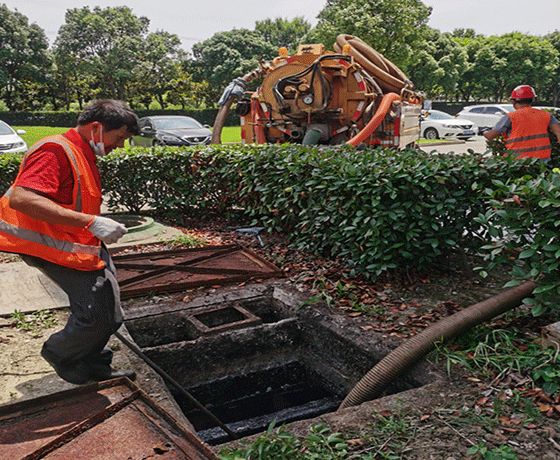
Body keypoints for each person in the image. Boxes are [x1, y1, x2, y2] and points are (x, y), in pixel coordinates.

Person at [0, 99, 140, 385]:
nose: (121, 146)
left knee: (109, 311)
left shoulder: (81, 151)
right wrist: (92, 223)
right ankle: (60, 353)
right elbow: (23, 199)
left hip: (78, 243)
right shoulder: (55, 150)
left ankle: (93, 362)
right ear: (97, 128)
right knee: (99, 315)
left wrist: (92, 227)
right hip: (51, 246)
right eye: (120, 137)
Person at [483, 85, 560, 164]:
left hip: (518, 163)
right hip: (543, 162)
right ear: (532, 100)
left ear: (514, 101)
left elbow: (490, 136)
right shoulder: (546, 115)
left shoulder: (510, 117)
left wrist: (484, 131)